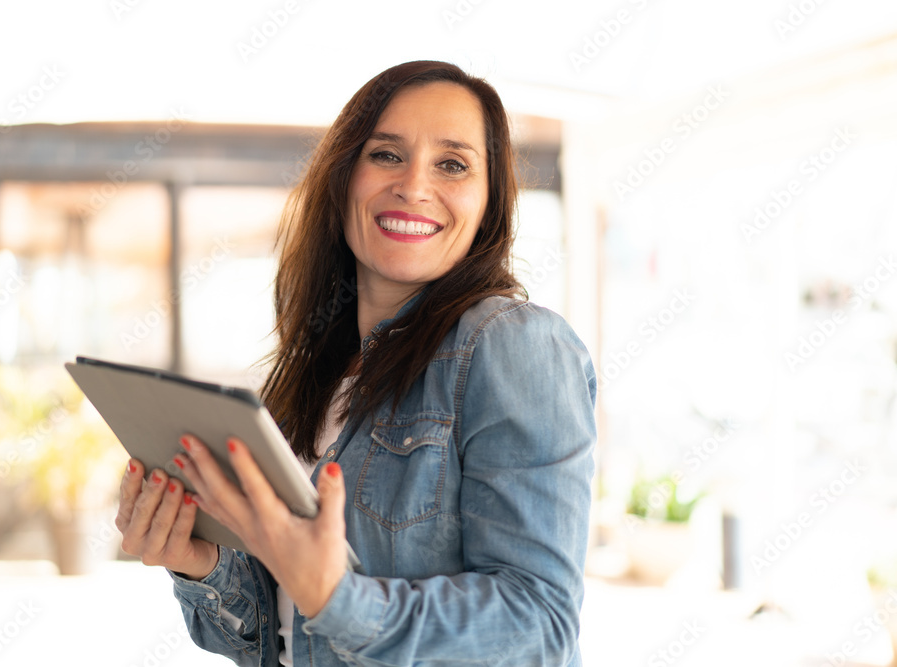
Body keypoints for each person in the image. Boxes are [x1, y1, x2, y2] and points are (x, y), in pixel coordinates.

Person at [114, 60, 597, 666]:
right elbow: (287, 635)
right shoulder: (320, 367)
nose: (414, 186)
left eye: (453, 163)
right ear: (344, 176)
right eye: (386, 155)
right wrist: (200, 563)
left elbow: (539, 629)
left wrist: (339, 598)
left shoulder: (514, 343)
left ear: (488, 203)